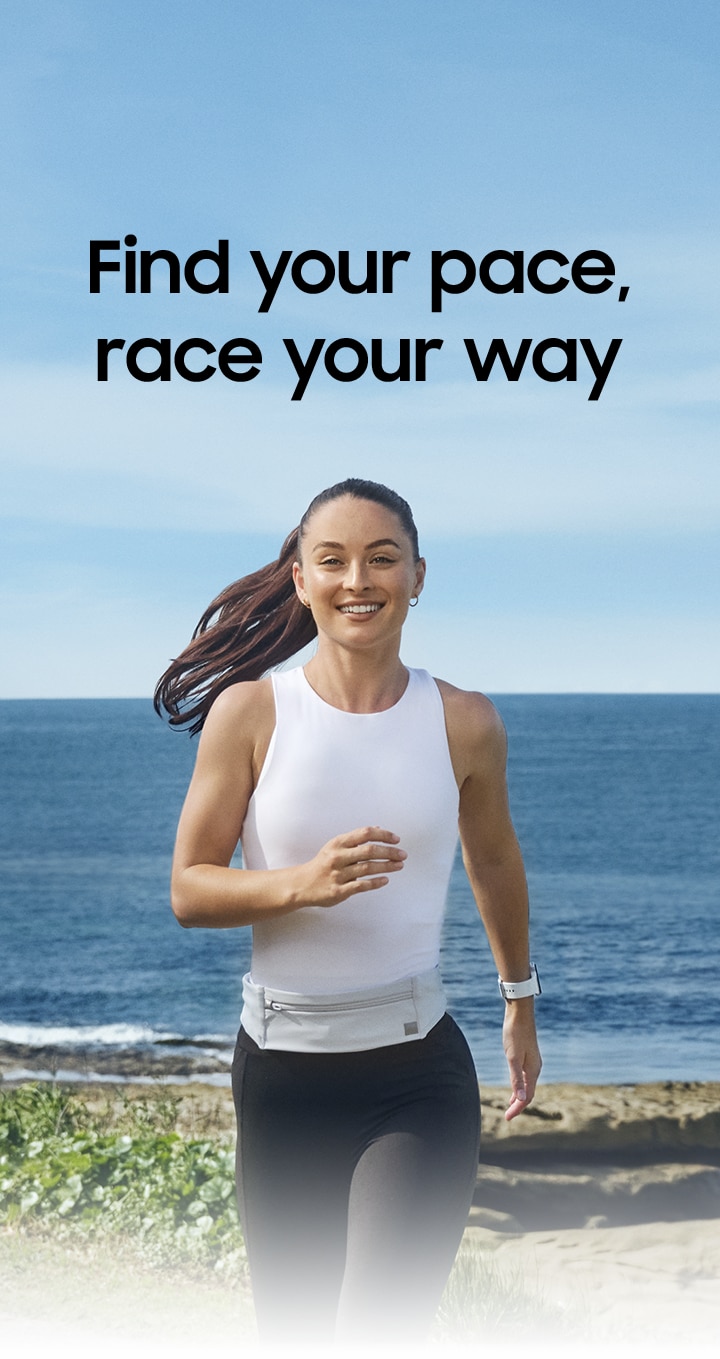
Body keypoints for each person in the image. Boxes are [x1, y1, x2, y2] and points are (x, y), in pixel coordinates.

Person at [154, 477, 541, 1344]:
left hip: (417, 1075)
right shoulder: (251, 711)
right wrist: (302, 882)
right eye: (332, 560)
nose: (357, 579)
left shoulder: (465, 721)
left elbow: (494, 860)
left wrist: (520, 999)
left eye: (382, 558)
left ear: (417, 576)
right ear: (300, 578)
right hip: (282, 1072)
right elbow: (189, 886)